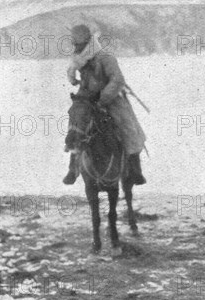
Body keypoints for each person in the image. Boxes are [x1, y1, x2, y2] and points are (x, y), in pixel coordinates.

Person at [62, 24, 146, 185]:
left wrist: (103, 99)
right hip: (86, 98)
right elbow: (74, 75)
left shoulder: (106, 58)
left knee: (127, 126)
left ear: (87, 43)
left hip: (110, 99)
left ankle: (135, 168)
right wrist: (72, 76)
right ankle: (73, 166)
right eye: (75, 44)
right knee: (76, 121)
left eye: (79, 45)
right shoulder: (79, 60)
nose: (76, 48)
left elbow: (117, 80)